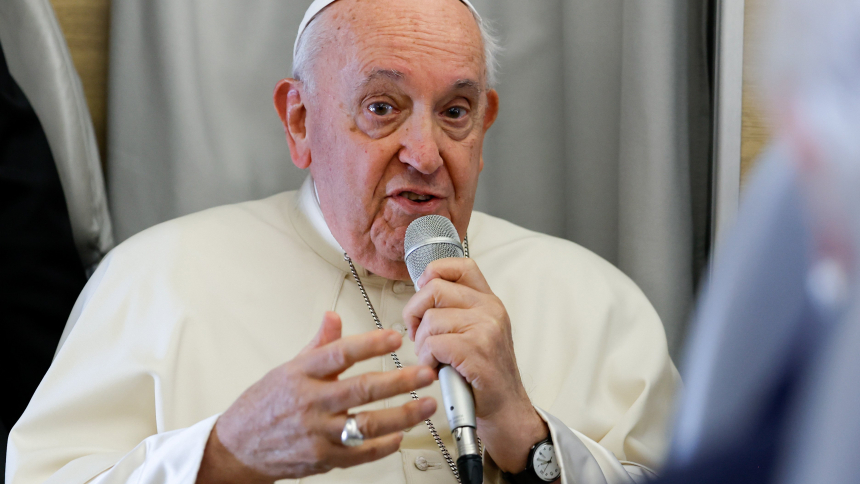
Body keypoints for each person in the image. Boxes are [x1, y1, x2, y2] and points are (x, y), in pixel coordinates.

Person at [6, 0, 680, 483]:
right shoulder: (153, 280)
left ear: (486, 126)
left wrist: (530, 436)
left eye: (454, 112)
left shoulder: (598, 300)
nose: (424, 153)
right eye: (382, 107)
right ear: (299, 122)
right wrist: (222, 456)